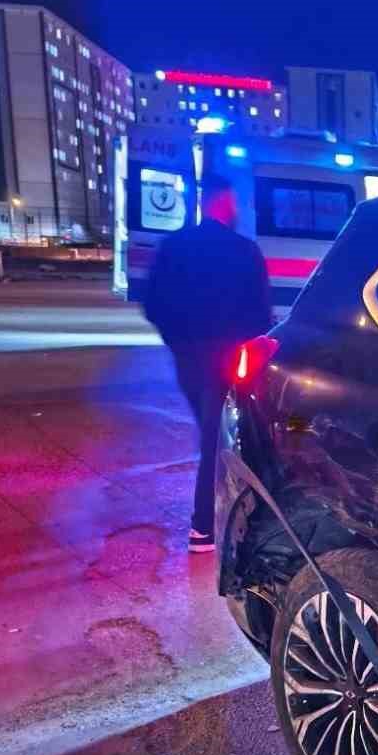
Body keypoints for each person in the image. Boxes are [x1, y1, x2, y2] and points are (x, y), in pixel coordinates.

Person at [142, 174, 273, 552]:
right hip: (228, 359)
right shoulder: (244, 250)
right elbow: (261, 315)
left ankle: (221, 517)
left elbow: (153, 305)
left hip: (189, 359)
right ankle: (206, 525)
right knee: (220, 440)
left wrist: (179, 344)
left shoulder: (173, 247)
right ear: (223, 203)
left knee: (212, 434)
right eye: (232, 203)